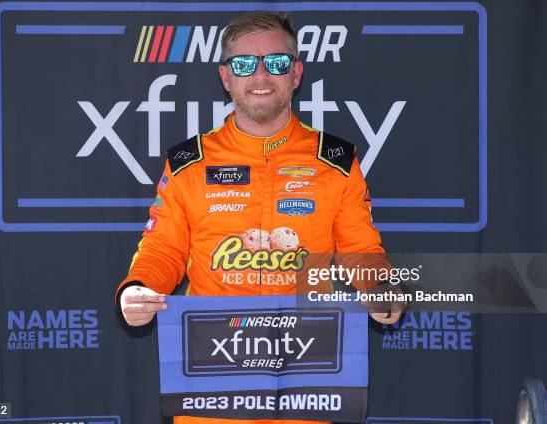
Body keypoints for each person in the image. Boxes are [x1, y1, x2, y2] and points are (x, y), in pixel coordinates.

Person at [115, 11, 404, 424]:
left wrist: (379, 286)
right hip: (214, 378)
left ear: (296, 73)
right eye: (245, 64)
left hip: (305, 376)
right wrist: (138, 288)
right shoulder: (188, 163)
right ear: (226, 77)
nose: (262, 75)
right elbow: (163, 248)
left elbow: (361, 250)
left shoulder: (336, 161)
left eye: (277, 62)